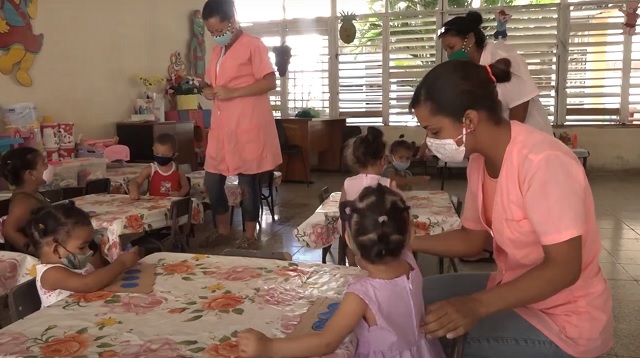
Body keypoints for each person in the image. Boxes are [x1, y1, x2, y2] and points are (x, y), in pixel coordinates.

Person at [409, 59, 613, 357]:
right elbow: (473, 239)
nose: (428, 144)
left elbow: (564, 267)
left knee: (436, 333)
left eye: (435, 131)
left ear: (469, 121)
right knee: (413, 299)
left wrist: (476, 305)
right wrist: (407, 241)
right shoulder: (479, 160)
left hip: (563, 319)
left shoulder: (542, 162)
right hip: (513, 286)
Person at [238, 184, 445, 358]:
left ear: (348, 240)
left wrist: (268, 347)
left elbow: (325, 343)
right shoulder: (411, 263)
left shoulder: (361, 294)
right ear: (410, 235)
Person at [201, 0, 282, 249]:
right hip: (222, 128)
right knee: (212, 181)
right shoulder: (217, 52)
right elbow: (208, 83)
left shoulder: (253, 46)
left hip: (248, 126)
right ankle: (223, 230)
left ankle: (249, 236)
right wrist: (207, 90)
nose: (215, 36)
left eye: (218, 30)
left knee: (247, 183)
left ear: (231, 21)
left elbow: (270, 82)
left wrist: (234, 92)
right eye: (211, 32)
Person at [438, 11, 552, 135]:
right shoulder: (469, 71)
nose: (449, 54)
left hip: (529, 139)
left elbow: (519, 110)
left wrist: (503, 146)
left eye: (452, 47)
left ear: (470, 39)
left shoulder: (503, 57)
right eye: (446, 50)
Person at [25, 202, 140, 308]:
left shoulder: (77, 265)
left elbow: (100, 274)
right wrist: (122, 263)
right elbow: (88, 284)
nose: (88, 251)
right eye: (82, 247)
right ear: (56, 249)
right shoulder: (50, 273)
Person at [341, 127, 392, 266]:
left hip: (353, 239)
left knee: (352, 238)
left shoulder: (347, 183)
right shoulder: (388, 183)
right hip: (380, 239)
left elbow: (343, 212)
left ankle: (352, 267)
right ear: (383, 160)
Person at [0, 147, 49, 253]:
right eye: (43, 163)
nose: (48, 166)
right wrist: (38, 252)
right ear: (31, 174)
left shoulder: (33, 193)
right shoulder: (22, 203)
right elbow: (9, 231)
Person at [129, 133, 189, 199]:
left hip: (173, 204)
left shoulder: (177, 169)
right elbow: (136, 181)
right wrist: (133, 189)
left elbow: (185, 186)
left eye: (164, 155)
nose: (160, 157)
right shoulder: (150, 169)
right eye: (157, 154)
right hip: (153, 204)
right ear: (153, 149)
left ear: (174, 155)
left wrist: (180, 194)